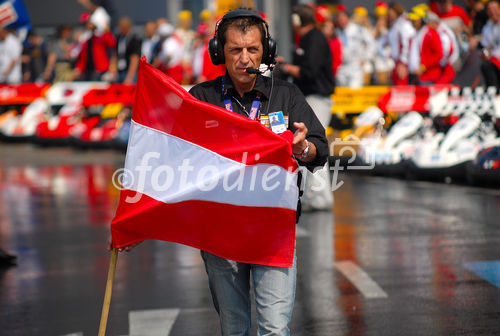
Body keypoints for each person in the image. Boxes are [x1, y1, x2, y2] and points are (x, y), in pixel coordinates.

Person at [188, 9, 328, 335]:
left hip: (273, 231)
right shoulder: (200, 99)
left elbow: (319, 151)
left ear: (266, 49)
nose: (245, 59)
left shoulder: (286, 95)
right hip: (220, 235)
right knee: (234, 329)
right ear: (218, 51)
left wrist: (301, 148)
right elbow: (172, 160)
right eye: (235, 50)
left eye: (253, 49)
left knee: (275, 330)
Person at [333, 5, 376, 88]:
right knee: (342, 92)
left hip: (355, 66)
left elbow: (372, 43)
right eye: (339, 19)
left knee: (354, 91)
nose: (341, 21)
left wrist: (366, 58)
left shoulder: (358, 29)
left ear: (347, 18)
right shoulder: (336, 32)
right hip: (341, 67)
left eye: (343, 18)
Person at [385, 2, 416, 85]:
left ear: (396, 11)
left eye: (390, 13)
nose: (389, 16)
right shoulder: (395, 25)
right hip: (397, 62)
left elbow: (407, 44)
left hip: (403, 63)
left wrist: (403, 63)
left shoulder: (404, 24)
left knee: (401, 90)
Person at [111, 16, 141, 84]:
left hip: (128, 72)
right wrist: (113, 69)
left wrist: (130, 76)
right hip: (119, 71)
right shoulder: (118, 38)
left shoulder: (134, 40)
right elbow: (115, 55)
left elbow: (134, 58)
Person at [479, 0, 500, 88]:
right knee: (486, 65)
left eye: (494, 9)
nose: (492, 12)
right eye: (489, 9)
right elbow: (486, 47)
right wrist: (485, 53)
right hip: (494, 61)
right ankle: (494, 93)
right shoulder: (487, 27)